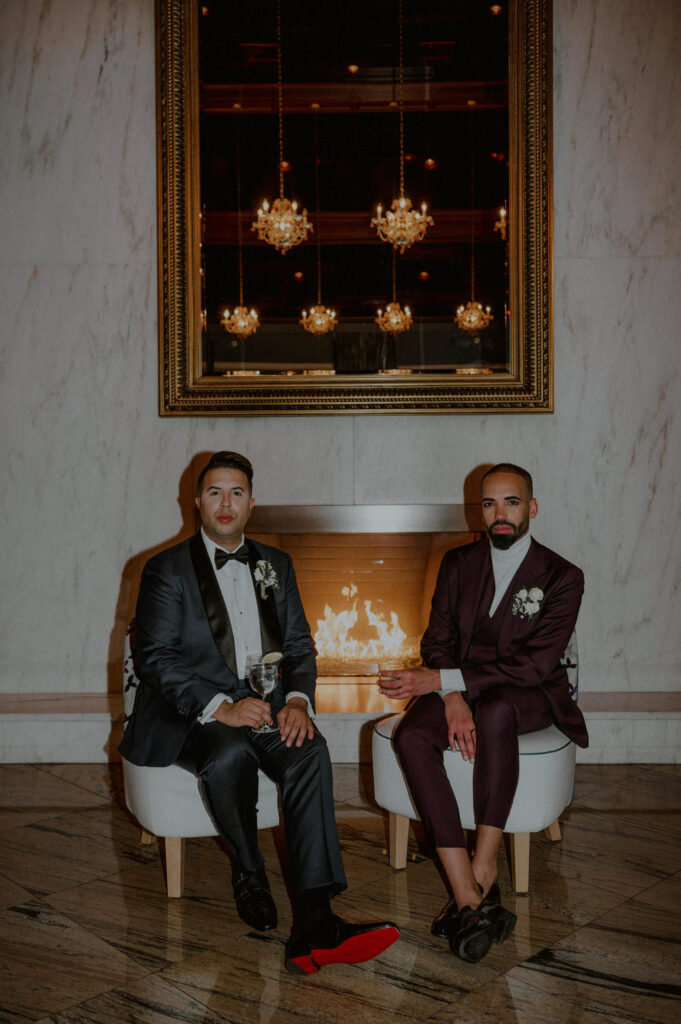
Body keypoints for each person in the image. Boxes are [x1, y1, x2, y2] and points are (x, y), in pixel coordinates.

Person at [120, 451, 399, 975]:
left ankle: (316, 920)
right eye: (215, 493)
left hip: (268, 706)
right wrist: (221, 707)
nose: (226, 504)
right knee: (228, 757)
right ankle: (249, 870)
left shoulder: (277, 563)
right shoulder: (165, 569)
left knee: (310, 749)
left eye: (237, 493)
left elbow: (299, 645)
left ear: (252, 503)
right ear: (196, 501)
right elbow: (155, 659)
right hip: (190, 712)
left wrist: (296, 701)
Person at [378, 463, 587, 963]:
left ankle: (486, 862)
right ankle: (468, 894)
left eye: (511, 502)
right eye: (490, 503)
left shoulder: (563, 576)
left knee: (494, 711)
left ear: (531, 509)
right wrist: (450, 697)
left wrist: (445, 682)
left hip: (530, 692)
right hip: (458, 688)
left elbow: (535, 664)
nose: (500, 514)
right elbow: (437, 640)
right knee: (410, 737)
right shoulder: (457, 563)